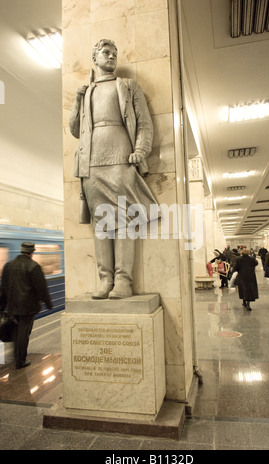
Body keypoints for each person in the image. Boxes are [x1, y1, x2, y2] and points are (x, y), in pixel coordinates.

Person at [69, 39, 158, 300]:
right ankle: (104, 278)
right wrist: (77, 99)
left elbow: (144, 123)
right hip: (92, 161)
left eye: (115, 53)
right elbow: (76, 130)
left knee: (124, 221)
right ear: (94, 58)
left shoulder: (128, 86)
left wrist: (140, 150)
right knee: (101, 224)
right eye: (106, 53)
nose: (111, 56)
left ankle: (123, 280)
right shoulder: (87, 91)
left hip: (121, 157)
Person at [0, 242, 52, 369]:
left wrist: (2, 306)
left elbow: (3, 288)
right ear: (32, 252)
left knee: (15, 331)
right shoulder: (34, 266)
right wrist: (48, 303)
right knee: (23, 333)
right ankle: (20, 361)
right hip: (28, 307)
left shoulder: (9, 265)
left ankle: (16, 357)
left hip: (12, 306)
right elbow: (41, 288)